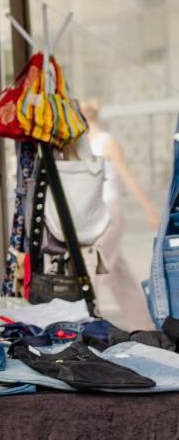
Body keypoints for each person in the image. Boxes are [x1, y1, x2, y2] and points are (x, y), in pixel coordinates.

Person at [81, 100, 155, 327]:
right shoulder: (83, 144)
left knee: (97, 267)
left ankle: (87, 320)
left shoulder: (108, 142)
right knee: (117, 273)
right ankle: (144, 324)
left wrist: (149, 210)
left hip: (109, 211)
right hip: (93, 212)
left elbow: (128, 178)